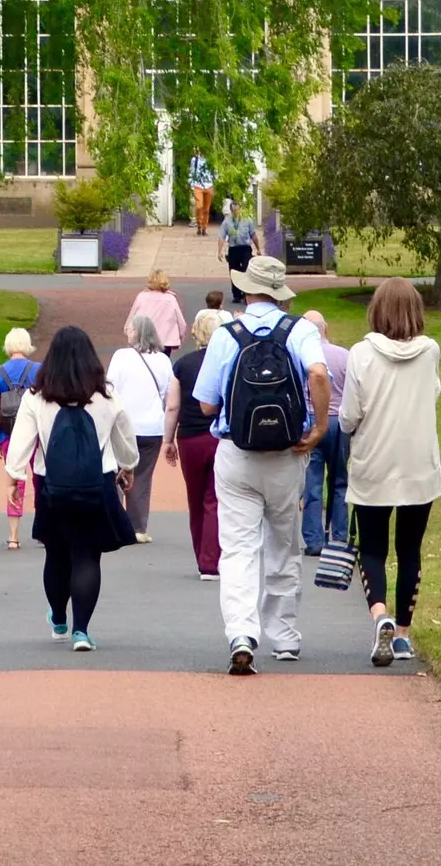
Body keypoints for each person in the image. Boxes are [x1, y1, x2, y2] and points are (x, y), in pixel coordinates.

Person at [191, 255, 332, 674]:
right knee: (283, 544)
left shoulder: (226, 334)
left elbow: (205, 403)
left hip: (237, 453)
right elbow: (319, 375)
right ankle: (284, 636)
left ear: (247, 289)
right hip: (288, 453)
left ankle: (241, 633)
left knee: (237, 548)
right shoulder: (301, 330)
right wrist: (320, 425)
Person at [4, 325, 140, 653]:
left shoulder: (37, 396)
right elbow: (126, 441)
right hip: (97, 481)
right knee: (87, 554)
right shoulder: (105, 394)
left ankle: (60, 618)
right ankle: (82, 630)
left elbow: (20, 444)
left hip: (51, 484)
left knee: (56, 551)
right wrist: (128, 464)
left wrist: (13, 476)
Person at [343, 278, 441, 668]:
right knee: (410, 550)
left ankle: (379, 613)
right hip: (418, 464)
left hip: (374, 463)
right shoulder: (430, 351)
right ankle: (402, 633)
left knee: (371, 548)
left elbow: (351, 414)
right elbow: (433, 393)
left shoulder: (361, 354)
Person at [163, 307, 223, 578]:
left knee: (195, 499)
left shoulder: (183, 364)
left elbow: (172, 407)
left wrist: (168, 440)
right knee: (215, 499)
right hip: (219, 436)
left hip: (189, 438)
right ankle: (212, 559)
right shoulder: (225, 362)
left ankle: (201, 554)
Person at [105, 312, 173, 541]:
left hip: (125, 426)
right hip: (152, 427)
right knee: (143, 477)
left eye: (130, 328)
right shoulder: (163, 360)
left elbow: (110, 390)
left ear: (137, 332)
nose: (127, 331)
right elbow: (168, 394)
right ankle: (138, 527)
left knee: (115, 472)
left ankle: (116, 524)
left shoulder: (121, 357)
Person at [300, 308, 352, 557]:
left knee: (312, 482)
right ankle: (339, 537)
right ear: (326, 328)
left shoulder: (303, 357)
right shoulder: (345, 356)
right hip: (340, 422)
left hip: (312, 420)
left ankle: (314, 539)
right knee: (340, 480)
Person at [0, 328, 41, 549]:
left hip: (8, 432)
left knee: (15, 480)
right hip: (36, 432)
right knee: (40, 478)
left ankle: (13, 535)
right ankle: (42, 529)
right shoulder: (38, 370)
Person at [125, 269, 185, 355]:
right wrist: (180, 336)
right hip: (165, 341)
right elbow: (181, 323)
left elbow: (132, 318)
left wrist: (128, 331)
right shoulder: (170, 299)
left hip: (143, 339)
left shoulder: (141, 297)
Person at [219, 198, 259, 307]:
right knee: (234, 272)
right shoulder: (227, 222)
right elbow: (222, 237)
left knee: (246, 270)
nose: (236, 212)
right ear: (231, 211)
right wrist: (219, 251)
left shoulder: (247, 220)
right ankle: (236, 294)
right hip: (233, 249)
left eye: (237, 209)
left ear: (240, 209)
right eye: (234, 210)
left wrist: (258, 248)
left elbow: (253, 235)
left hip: (245, 248)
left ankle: (246, 294)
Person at [187, 152, 215, 236]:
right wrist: (191, 184)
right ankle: (199, 225)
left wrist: (214, 180)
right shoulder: (195, 159)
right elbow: (191, 172)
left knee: (206, 209)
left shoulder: (211, 158)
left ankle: (204, 228)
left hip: (209, 185)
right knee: (199, 206)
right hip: (198, 185)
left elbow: (215, 170)